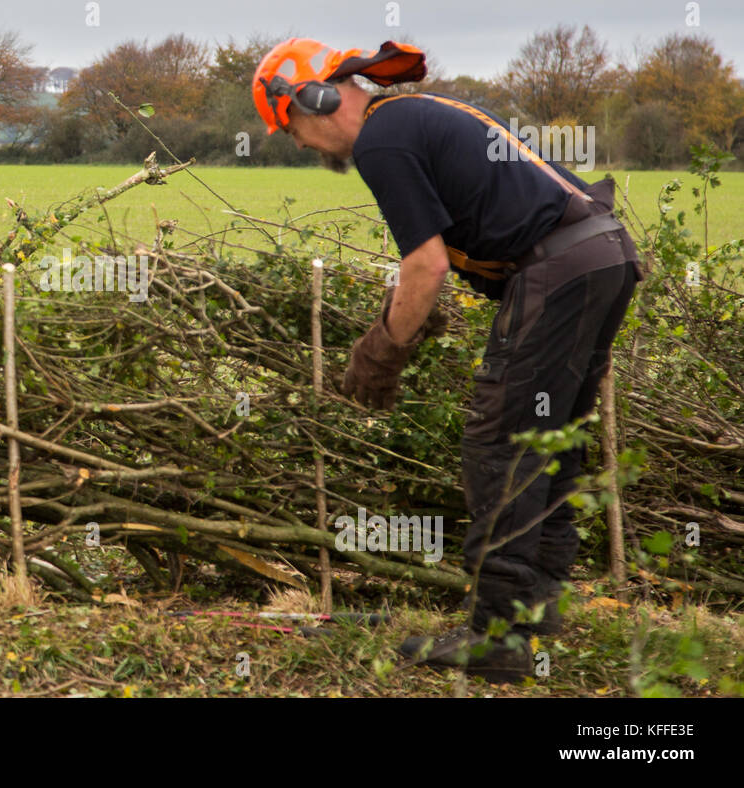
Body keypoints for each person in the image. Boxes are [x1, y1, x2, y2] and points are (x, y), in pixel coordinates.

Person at [252, 38, 644, 682]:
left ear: (316, 100)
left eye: (289, 127)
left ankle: (499, 635)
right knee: (548, 438)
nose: (296, 143)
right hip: (601, 256)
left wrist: (382, 352)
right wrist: (406, 309)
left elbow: (425, 264)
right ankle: (535, 605)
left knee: (499, 443)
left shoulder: (382, 140)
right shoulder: (410, 117)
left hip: (563, 269)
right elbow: (439, 256)